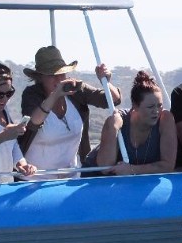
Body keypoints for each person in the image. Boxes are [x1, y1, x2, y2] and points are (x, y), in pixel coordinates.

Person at [19, 45, 121, 178]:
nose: (59, 79)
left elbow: (113, 99)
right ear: (40, 77)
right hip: (34, 180)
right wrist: (56, 94)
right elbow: (33, 121)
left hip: (70, 179)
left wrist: (106, 82)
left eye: (61, 73)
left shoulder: (76, 91)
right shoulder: (31, 95)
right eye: (52, 75)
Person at [83, 70, 177, 175]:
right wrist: (114, 128)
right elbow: (105, 168)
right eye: (150, 107)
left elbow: (167, 166)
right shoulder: (116, 121)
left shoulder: (165, 119)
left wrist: (132, 170)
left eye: (159, 105)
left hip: (130, 179)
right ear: (135, 106)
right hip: (95, 178)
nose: (156, 111)